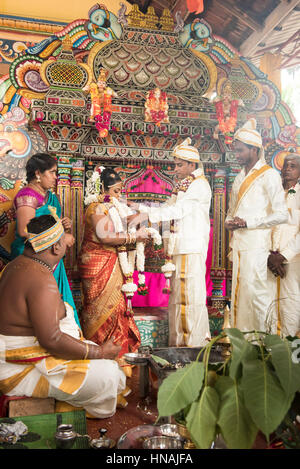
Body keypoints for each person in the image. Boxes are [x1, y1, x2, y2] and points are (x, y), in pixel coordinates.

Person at [0, 215, 126, 418]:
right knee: (109, 375)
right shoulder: (40, 278)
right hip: (18, 371)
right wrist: (100, 352)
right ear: (55, 248)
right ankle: (69, 409)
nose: (68, 244)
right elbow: (52, 339)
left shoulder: (13, 266)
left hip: (12, 360)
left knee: (113, 372)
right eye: (65, 240)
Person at [129, 137, 212, 347]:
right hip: (180, 248)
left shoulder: (199, 185)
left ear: (192, 164)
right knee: (178, 300)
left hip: (191, 248)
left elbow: (178, 211)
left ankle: (193, 347)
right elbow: (168, 205)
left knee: (190, 299)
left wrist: (146, 216)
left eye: (179, 164)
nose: (175, 169)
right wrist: (140, 209)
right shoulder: (185, 185)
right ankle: (179, 345)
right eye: (175, 164)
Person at [78, 168, 148, 376]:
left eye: (120, 191)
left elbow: (128, 221)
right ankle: (98, 357)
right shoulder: (95, 208)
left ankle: (119, 356)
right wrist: (134, 238)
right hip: (96, 263)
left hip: (113, 261)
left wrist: (142, 218)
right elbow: (106, 237)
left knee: (118, 308)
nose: (119, 195)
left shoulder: (112, 207)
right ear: (103, 189)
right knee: (99, 310)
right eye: (116, 191)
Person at [225, 118, 288, 333]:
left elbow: (281, 215)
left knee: (258, 296)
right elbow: (232, 211)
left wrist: (248, 223)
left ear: (254, 150)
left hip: (258, 246)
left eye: (241, 150)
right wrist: (229, 222)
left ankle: (265, 347)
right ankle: (243, 345)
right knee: (240, 295)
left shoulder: (269, 175)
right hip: (240, 245)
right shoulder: (238, 177)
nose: (237, 154)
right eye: (236, 150)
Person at [10, 152, 80, 327]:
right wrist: (62, 236)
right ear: (38, 174)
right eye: (52, 172)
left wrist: (64, 224)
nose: (56, 177)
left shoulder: (51, 197)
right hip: (33, 258)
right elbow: (25, 230)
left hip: (50, 256)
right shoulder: (28, 196)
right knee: (41, 307)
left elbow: (49, 224)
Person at [267, 153, 300, 336]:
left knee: (290, 303)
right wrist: (270, 256)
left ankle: (288, 348)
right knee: (268, 303)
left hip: (292, 261)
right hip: (270, 259)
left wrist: (283, 255)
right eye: (286, 165)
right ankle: (269, 349)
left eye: (293, 166)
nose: (288, 168)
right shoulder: (274, 194)